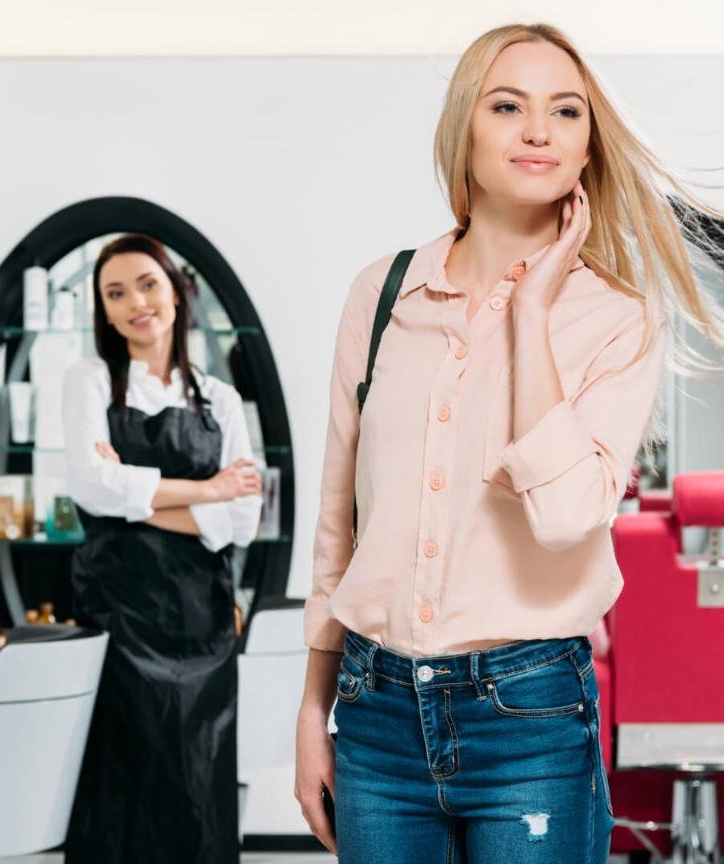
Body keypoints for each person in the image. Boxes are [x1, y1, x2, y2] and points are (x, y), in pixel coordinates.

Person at [295, 22, 724, 864]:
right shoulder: (382, 296)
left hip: (527, 717)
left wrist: (532, 315)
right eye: (508, 105)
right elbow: (337, 528)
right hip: (374, 714)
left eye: (566, 111)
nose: (539, 131)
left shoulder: (616, 319)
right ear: (466, 127)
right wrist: (314, 713)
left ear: (587, 143)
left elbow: (567, 516)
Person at [61, 233, 263, 864]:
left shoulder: (221, 399)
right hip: (119, 618)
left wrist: (140, 501)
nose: (134, 303)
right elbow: (93, 491)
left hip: (204, 624)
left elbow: (243, 519)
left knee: (199, 787)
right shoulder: (90, 380)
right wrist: (208, 489)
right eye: (115, 293)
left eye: (147, 284)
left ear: (176, 291)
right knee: (121, 784)